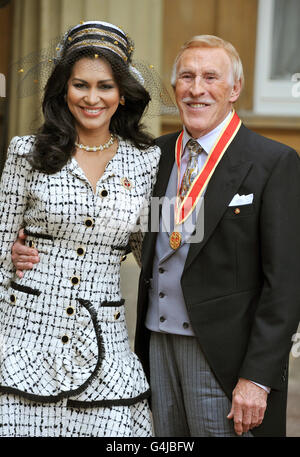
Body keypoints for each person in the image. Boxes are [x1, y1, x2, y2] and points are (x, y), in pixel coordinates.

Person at [11, 35, 300, 437]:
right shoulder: (154, 156)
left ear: (235, 89)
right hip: (156, 348)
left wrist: (258, 377)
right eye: (187, 76)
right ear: (175, 87)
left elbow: (285, 284)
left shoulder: (274, 162)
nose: (197, 88)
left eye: (211, 77)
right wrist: (25, 244)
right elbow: (134, 235)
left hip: (224, 358)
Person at [0, 20, 160, 437]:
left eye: (105, 86)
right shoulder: (26, 153)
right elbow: (0, 250)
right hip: (23, 340)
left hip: (104, 344)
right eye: (80, 85)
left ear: (122, 93)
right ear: (63, 90)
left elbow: (159, 254)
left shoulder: (147, 162)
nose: (92, 98)